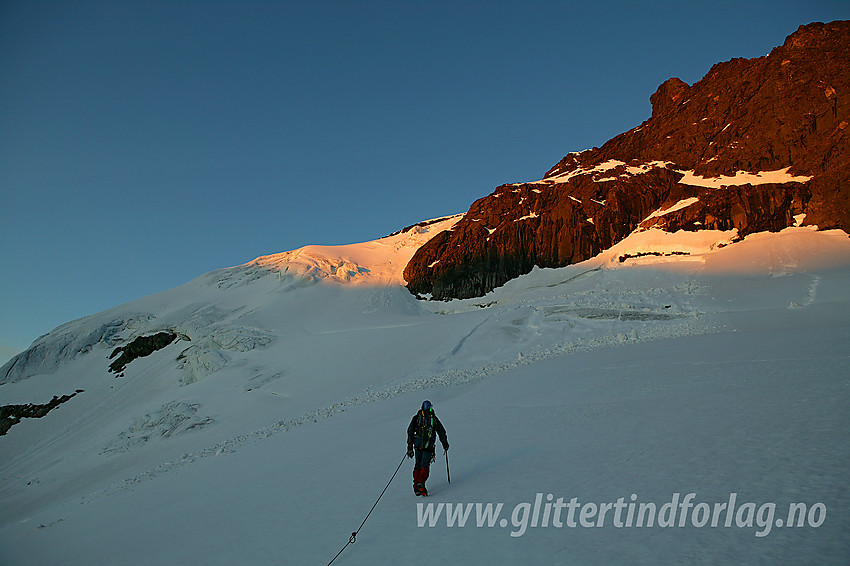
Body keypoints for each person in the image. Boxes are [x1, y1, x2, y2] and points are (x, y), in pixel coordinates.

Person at [407, 400, 448, 496]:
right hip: (428, 445)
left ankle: (416, 486)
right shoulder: (434, 419)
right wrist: (445, 443)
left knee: (418, 464)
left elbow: (410, 431)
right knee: (425, 464)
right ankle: (421, 483)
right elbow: (441, 431)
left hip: (417, 445)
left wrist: (409, 446)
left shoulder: (417, 418)